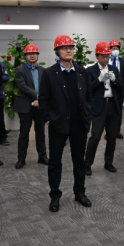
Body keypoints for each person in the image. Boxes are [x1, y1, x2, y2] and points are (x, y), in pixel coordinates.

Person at [39, 35, 92, 212]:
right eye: (64, 48)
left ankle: (80, 193)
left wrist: (87, 117)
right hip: (58, 125)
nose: (68, 50)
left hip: (79, 124)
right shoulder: (49, 73)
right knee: (55, 162)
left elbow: (88, 97)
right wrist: (49, 119)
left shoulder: (82, 72)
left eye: (70, 47)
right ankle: (55, 196)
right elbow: (43, 100)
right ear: (57, 51)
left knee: (79, 161)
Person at [85, 42, 124, 175]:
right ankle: (87, 164)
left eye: (107, 56)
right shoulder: (90, 70)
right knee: (95, 136)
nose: (105, 59)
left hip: (113, 105)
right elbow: (87, 90)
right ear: (97, 56)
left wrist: (115, 81)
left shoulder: (114, 69)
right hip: (99, 105)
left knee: (112, 137)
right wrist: (98, 80)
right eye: (102, 56)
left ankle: (108, 162)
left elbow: (121, 88)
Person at [12, 43, 47, 169]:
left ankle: (42, 156)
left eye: (34, 53)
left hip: (40, 106)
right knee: (24, 134)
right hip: (25, 105)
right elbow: (22, 86)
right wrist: (36, 96)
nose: (32, 56)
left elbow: (46, 86)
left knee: (41, 133)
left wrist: (40, 99)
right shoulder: (20, 70)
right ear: (25, 56)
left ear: (38, 55)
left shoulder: (43, 70)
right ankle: (21, 159)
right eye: (29, 54)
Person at [109, 40, 124, 139]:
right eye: (113, 48)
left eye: (117, 48)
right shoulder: (106, 60)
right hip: (108, 89)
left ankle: (117, 131)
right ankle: (109, 132)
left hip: (119, 89)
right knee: (108, 111)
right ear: (109, 50)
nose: (115, 50)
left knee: (119, 111)